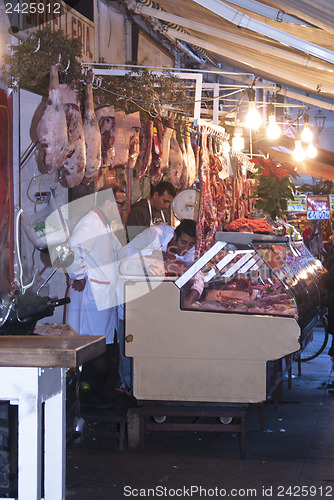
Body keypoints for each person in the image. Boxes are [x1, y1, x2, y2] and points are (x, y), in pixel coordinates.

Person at [66, 184, 123, 406]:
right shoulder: (90, 223)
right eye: (120, 203)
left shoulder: (105, 225)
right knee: (91, 346)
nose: (122, 207)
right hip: (91, 295)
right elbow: (72, 249)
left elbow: (119, 251)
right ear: (108, 203)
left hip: (103, 294)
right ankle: (88, 398)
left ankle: (96, 394)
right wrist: (78, 275)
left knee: (101, 345)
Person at [119, 219, 203, 307]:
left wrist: (189, 301)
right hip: (129, 294)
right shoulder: (155, 234)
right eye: (183, 242)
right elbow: (123, 253)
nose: (186, 248)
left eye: (191, 244)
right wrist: (156, 253)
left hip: (158, 298)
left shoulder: (190, 249)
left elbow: (198, 275)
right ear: (175, 236)